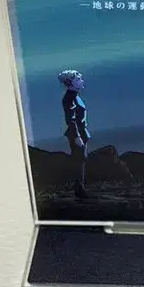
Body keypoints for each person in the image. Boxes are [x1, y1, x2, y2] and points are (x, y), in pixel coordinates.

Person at [59, 69, 89, 198]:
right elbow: (70, 119)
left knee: (81, 159)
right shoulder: (69, 98)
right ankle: (79, 189)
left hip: (81, 132)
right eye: (78, 79)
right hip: (76, 133)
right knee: (78, 160)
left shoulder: (75, 96)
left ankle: (80, 188)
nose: (81, 81)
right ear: (70, 83)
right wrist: (77, 136)